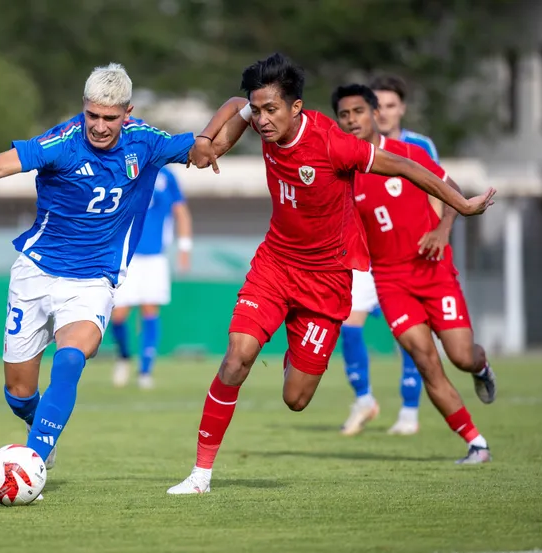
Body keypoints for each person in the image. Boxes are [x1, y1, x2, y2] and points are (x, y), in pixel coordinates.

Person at [166, 53, 495, 495]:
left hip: (326, 281)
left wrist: (462, 205)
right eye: (257, 110)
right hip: (275, 265)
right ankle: (200, 475)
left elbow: (404, 166)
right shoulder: (261, 116)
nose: (261, 120)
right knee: (236, 357)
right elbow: (232, 106)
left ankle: (294, 351)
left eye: (270, 110)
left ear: (295, 108)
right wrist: (209, 137)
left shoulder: (332, 144)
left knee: (295, 399)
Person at [0, 63, 195, 493]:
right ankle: (37, 421)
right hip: (35, 273)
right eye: (92, 115)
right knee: (18, 392)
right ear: (84, 108)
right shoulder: (62, 142)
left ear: (127, 114)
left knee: (73, 356)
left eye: (109, 118)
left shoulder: (146, 142)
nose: (98, 125)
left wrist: (242, 110)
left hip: (93, 279)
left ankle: (34, 458)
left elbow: (206, 146)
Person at [332, 83, 497, 464]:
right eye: (344, 114)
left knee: (460, 356)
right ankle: (476, 442)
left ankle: (481, 365)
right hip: (390, 281)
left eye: (359, 111)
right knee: (425, 360)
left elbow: (449, 189)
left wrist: (442, 229)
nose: (352, 120)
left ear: (375, 114)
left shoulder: (409, 154)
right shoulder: (344, 172)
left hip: (434, 271)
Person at [339, 75, 443, 437]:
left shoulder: (419, 146)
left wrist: (437, 237)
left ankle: (409, 411)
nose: (382, 112)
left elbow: (438, 190)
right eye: (377, 105)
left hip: (410, 258)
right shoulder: (352, 148)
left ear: (402, 109)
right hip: (366, 259)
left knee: (410, 338)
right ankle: (364, 399)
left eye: (390, 105)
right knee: (349, 325)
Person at [111, 165, 193, 389]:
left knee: (149, 311)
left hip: (155, 257)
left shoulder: (166, 176)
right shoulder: (123, 169)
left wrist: (184, 247)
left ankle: (145, 370)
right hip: (126, 256)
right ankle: (123, 357)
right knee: (118, 315)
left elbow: (181, 210)